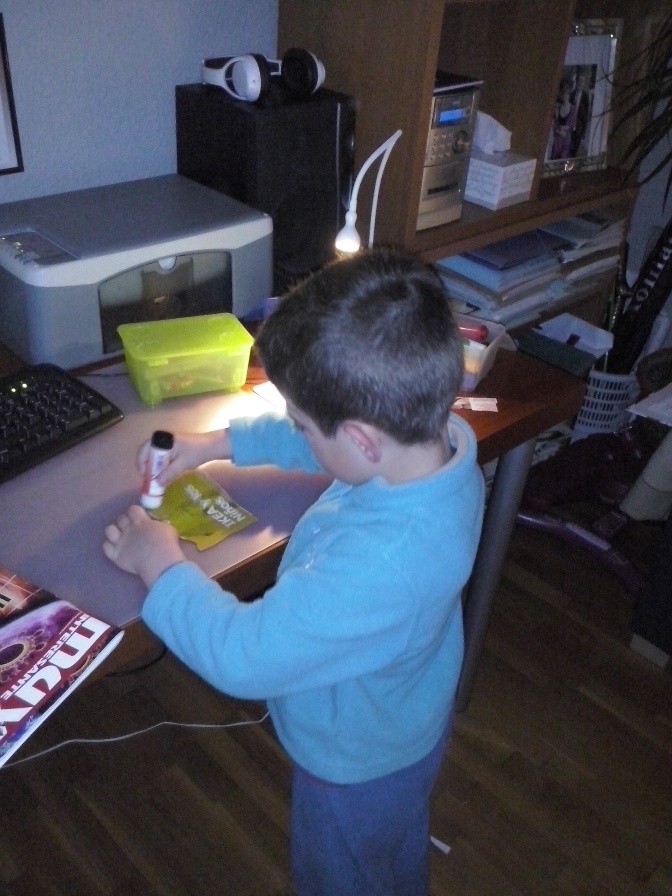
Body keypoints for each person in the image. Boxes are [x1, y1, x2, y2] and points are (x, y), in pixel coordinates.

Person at [103, 247, 485, 896]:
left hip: (353, 764)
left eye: (303, 425)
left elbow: (244, 656)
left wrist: (160, 564)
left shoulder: (382, 562)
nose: (298, 432)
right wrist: (216, 443)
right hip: (402, 722)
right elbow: (327, 442)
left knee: (343, 875)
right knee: (388, 852)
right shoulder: (432, 441)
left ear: (361, 440)